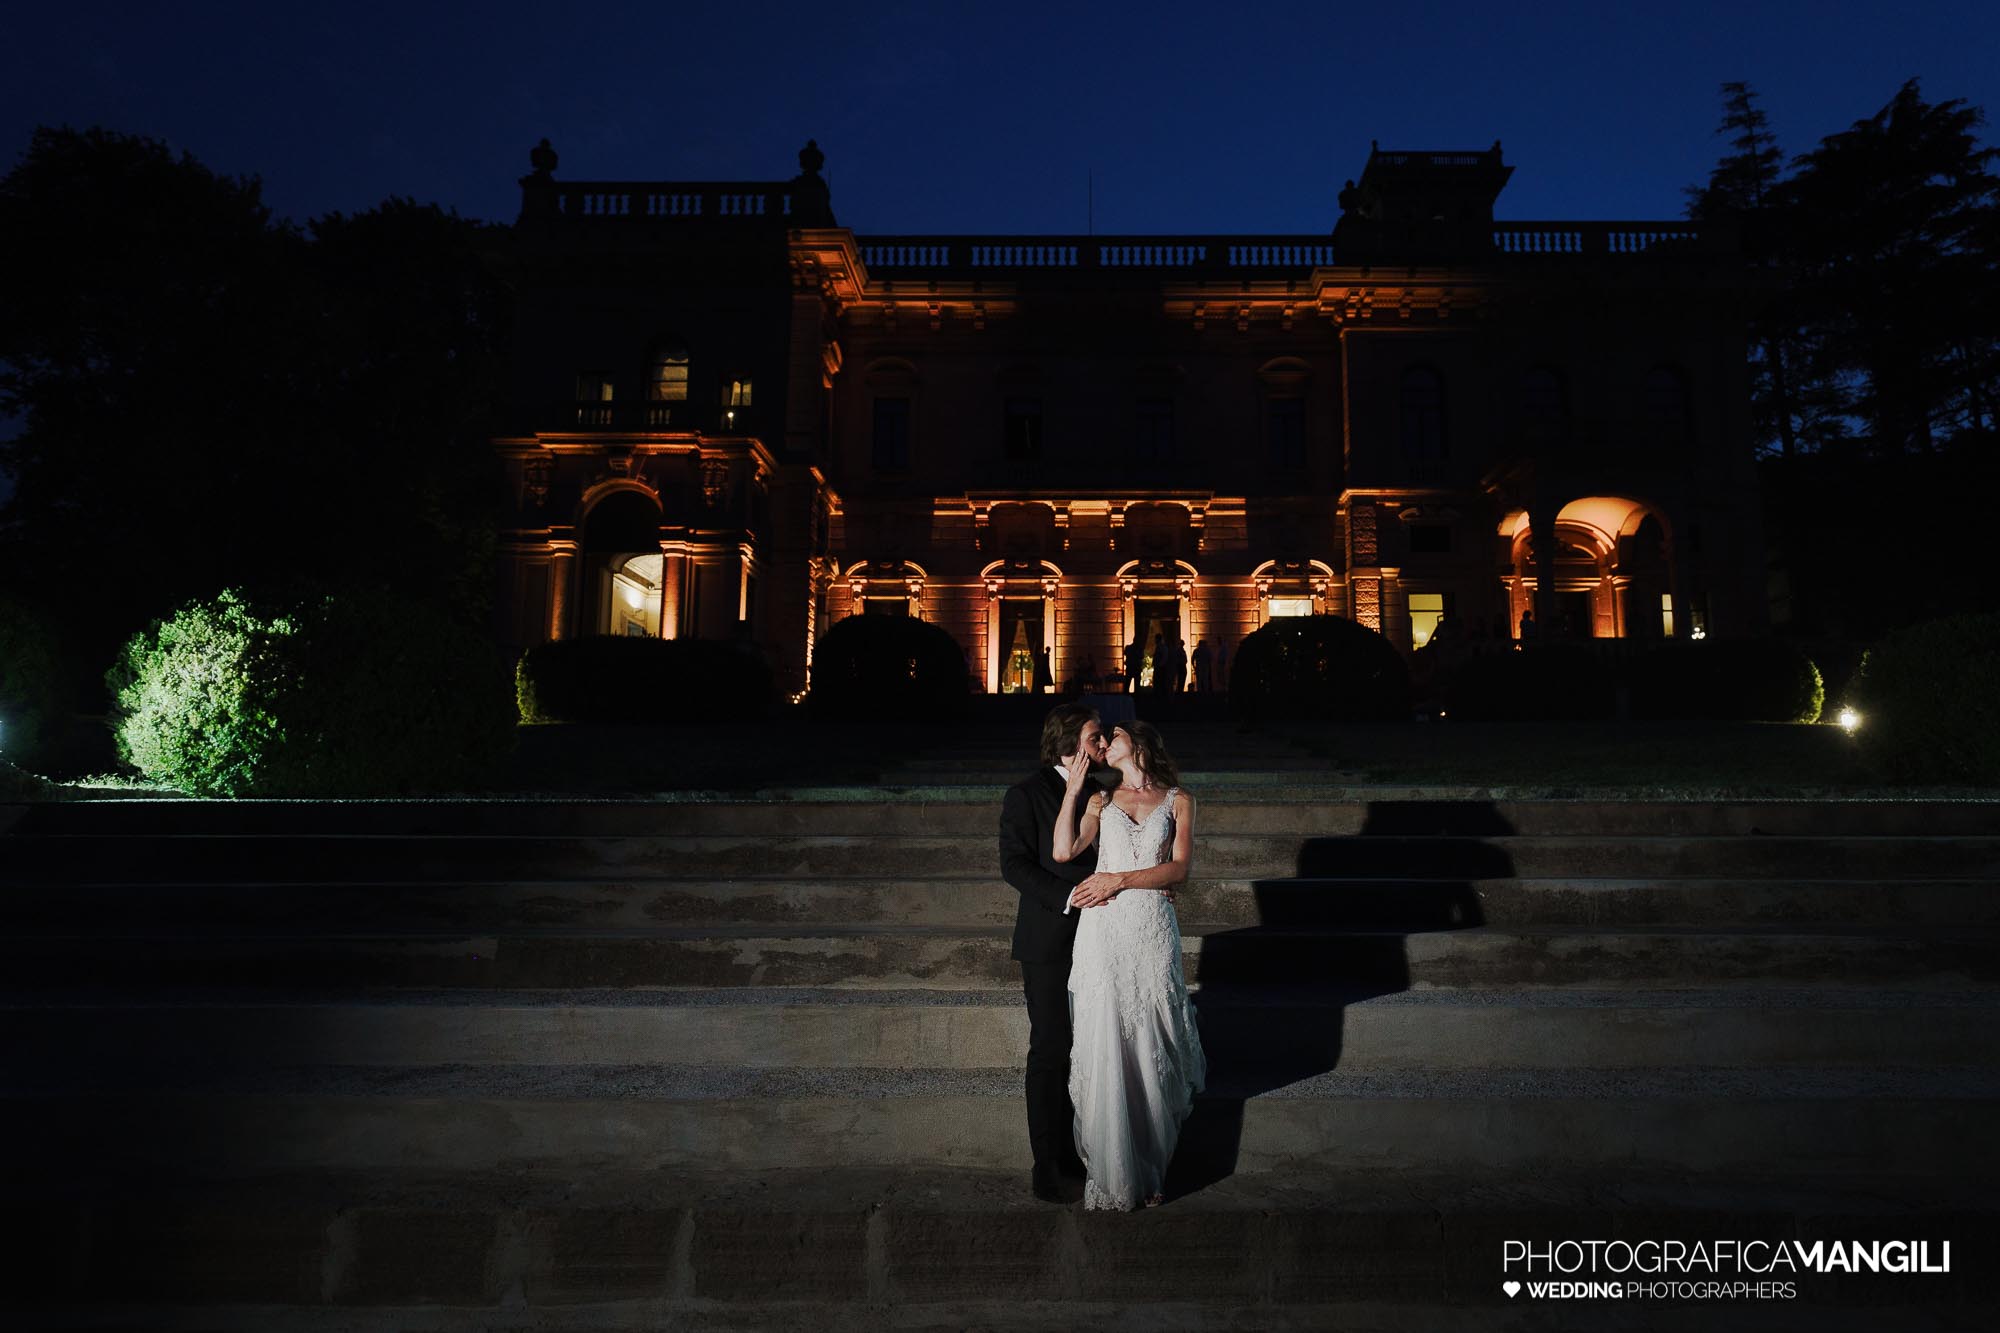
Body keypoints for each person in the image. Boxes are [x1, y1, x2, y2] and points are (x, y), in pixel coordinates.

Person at [1051, 719, 1206, 1210]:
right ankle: (1114, 1171)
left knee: (1151, 1039)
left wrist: (1119, 878)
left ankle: (1153, 1167)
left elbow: (1179, 869)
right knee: (1109, 1042)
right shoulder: (1100, 799)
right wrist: (1074, 790)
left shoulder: (1180, 800)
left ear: (1136, 744)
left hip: (1151, 927)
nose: (1102, 744)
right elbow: (1063, 851)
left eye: (1111, 736)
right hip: (1104, 931)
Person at [998, 704, 1108, 1202]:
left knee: (1096, 1048)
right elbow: (1014, 866)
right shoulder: (1025, 794)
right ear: (1068, 744)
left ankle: (1096, 1153)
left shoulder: (1107, 789)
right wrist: (1069, 898)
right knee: (1051, 1048)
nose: (1102, 744)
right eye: (1094, 736)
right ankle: (1049, 1164)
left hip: (1106, 936)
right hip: (1049, 939)